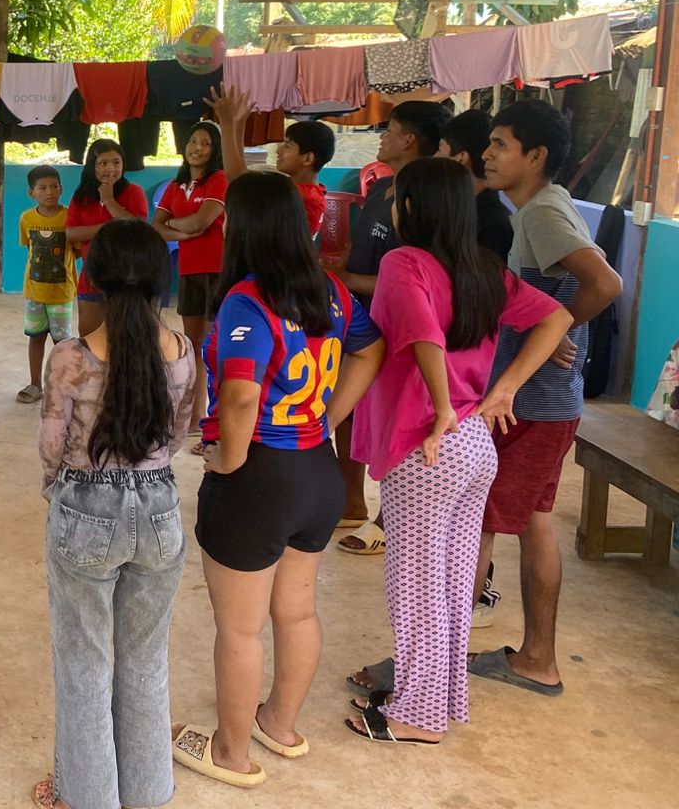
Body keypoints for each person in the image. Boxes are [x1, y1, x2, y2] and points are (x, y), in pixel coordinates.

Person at [342, 158, 569, 746]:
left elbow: (423, 335)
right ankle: (436, 697)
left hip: (429, 445)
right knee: (450, 582)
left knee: (416, 585)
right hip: (473, 445)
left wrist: (442, 406)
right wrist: (503, 389)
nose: (391, 206)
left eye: (396, 197)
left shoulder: (403, 262)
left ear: (413, 207)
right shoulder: (482, 268)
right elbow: (557, 318)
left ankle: (417, 717)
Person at [171, 171, 382, 790]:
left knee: (240, 629)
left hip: (259, 476)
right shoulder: (330, 290)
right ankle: (280, 726)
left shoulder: (247, 299)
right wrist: (328, 418)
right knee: (296, 613)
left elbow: (240, 397)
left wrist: (228, 461)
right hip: (317, 471)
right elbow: (370, 349)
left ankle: (231, 753)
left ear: (243, 227)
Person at [34, 220, 196, 809]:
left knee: (84, 662)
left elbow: (53, 443)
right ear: (160, 278)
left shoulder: (69, 357)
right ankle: (147, 794)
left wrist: (59, 490)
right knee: (146, 660)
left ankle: (86, 797)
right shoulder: (181, 350)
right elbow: (178, 435)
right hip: (159, 509)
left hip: (86, 507)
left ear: (94, 278)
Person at [467, 99, 621, 693]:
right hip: (545, 402)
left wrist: (555, 327)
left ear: (535, 156)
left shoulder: (541, 213)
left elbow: (605, 282)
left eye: (500, 144)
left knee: (480, 519)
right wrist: (554, 324)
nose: (487, 154)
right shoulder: (542, 208)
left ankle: (444, 662)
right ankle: (534, 658)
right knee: (532, 521)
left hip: (532, 403)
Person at [332, 99, 452, 553]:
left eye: (391, 129)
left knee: (397, 417)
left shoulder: (422, 200)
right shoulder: (383, 188)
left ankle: (388, 519)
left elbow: (411, 276)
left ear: (411, 140)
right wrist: (342, 270)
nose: (382, 137)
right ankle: (350, 501)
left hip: (399, 326)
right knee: (349, 407)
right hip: (361, 317)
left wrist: (348, 280)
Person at [152, 121, 226, 425]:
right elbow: (157, 228)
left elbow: (202, 222)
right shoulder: (175, 185)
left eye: (205, 143)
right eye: (193, 140)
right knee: (193, 344)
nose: (197, 147)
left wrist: (176, 226)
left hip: (217, 271)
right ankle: (195, 417)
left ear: (215, 150)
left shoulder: (218, 179)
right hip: (189, 270)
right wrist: (185, 230)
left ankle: (219, 417)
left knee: (214, 347)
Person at [207, 86, 335, 238]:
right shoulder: (301, 189)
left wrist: (227, 122)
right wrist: (239, 124)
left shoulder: (300, 195)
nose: (279, 150)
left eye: (287, 146)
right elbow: (243, 177)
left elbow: (238, 181)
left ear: (307, 158)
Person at [66, 139, 153, 337]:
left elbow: (137, 228)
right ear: (92, 166)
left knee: (124, 336)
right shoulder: (81, 196)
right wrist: (109, 227)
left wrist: (108, 199)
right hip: (91, 277)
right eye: (103, 163)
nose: (110, 169)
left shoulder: (134, 192)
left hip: (127, 278)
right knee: (89, 336)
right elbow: (71, 233)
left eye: (116, 162)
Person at [17, 164, 77, 404]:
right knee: (36, 338)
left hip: (62, 293)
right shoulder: (26, 218)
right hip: (34, 293)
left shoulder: (70, 217)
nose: (49, 192)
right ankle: (35, 385)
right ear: (32, 193)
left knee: (62, 344)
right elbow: (29, 249)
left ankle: (63, 388)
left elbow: (76, 251)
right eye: (42, 188)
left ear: (61, 188)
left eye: (54, 186)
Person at [439, 108, 514, 260]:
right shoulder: (456, 208)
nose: (434, 158)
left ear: (461, 158)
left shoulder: (494, 225)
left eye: (440, 150)